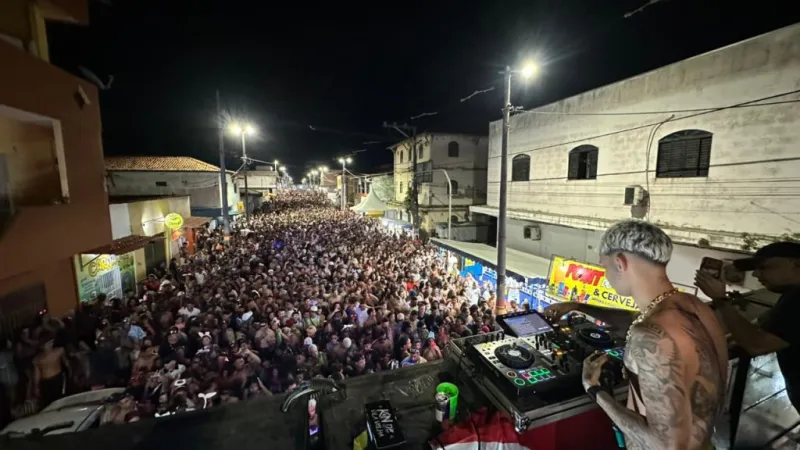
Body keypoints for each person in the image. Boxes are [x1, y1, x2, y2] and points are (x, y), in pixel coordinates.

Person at [545, 220, 728, 450]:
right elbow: (639, 319)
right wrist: (578, 306)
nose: (606, 275)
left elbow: (666, 447)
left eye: (605, 266)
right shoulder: (696, 307)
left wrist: (595, 389)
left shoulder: (650, 336)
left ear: (619, 263)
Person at [694, 241, 800, 413]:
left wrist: (721, 300)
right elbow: (763, 324)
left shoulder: (797, 299)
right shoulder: (790, 297)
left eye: (765, 267)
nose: (757, 275)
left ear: (796, 264)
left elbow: (757, 344)